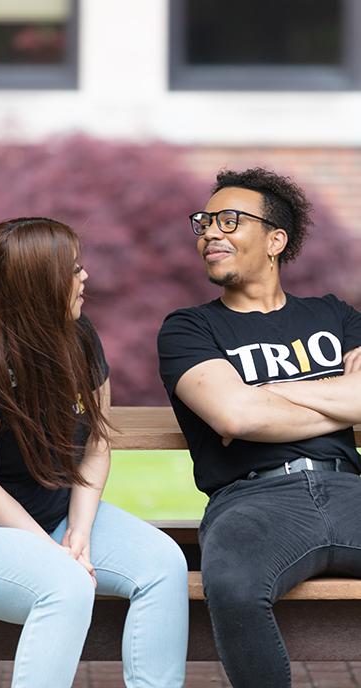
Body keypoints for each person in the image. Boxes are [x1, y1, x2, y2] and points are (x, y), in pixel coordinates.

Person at [0, 217, 189, 688]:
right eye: (72, 270)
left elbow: (97, 444)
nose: (85, 278)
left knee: (164, 563)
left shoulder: (79, 338)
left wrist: (77, 532)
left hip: (55, 511)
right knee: (66, 585)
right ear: (36, 283)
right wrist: (54, 552)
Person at [158, 168, 361, 688]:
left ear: (276, 240)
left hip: (349, 489)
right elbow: (236, 416)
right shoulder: (189, 328)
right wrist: (335, 394)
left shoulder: (335, 315)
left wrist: (263, 395)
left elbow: (249, 408)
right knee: (229, 581)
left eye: (230, 220)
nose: (209, 233)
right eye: (204, 222)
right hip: (252, 503)